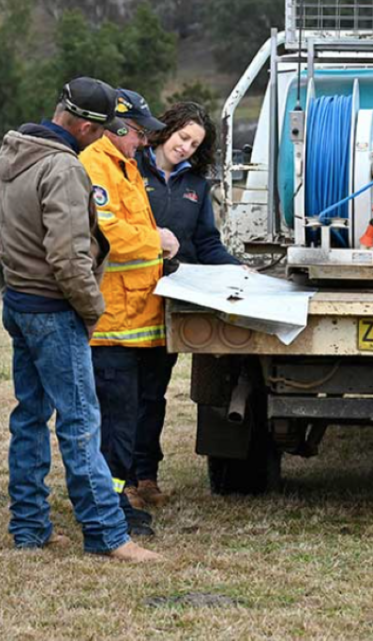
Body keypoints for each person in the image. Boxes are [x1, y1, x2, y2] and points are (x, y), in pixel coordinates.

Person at [0, 77, 159, 563]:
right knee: (82, 423)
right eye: (101, 130)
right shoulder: (64, 168)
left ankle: (29, 527)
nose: (105, 139)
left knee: (29, 417)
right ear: (85, 125)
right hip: (53, 309)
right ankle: (107, 533)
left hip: (19, 300)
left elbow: (2, 234)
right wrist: (91, 309)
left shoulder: (14, 151)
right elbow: (68, 257)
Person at [131, 101, 241, 509]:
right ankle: (120, 477)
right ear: (166, 129)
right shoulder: (131, 170)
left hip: (170, 304)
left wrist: (238, 271)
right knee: (123, 393)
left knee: (154, 394)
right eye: (182, 137)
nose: (186, 147)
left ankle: (146, 476)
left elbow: (207, 243)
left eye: (194, 144)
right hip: (127, 300)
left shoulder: (196, 185)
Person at [79, 88, 177, 537]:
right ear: (117, 127)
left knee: (127, 417)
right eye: (138, 132)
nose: (143, 140)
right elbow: (105, 229)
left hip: (136, 319)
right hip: (113, 325)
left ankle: (115, 499)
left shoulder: (125, 163)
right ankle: (110, 505)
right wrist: (156, 242)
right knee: (114, 423)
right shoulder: (96, 165)